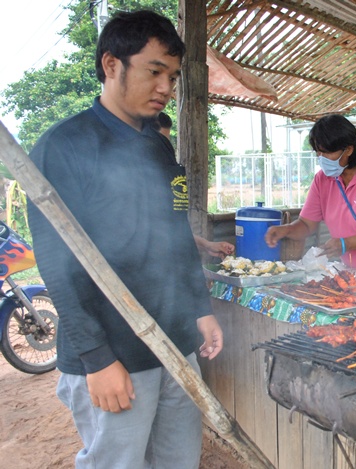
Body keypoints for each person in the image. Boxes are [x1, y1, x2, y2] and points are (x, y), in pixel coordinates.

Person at [26, 10, 223, 469]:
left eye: (172, 77)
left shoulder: (157, 146)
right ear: (112, 64)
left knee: (179, 459)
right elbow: (55, 262)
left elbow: (175, 235)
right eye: (155, 71)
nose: (166, 88)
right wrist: (96, 359)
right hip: (114, 354)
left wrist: (200, 310)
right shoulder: (64, 146)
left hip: (174, 342)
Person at [264, 114, 356, 269]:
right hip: (353, 270)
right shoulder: (322, 180)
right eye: (318, 152)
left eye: (327, 152)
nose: (322, 158)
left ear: (349, 149)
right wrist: (286, 230)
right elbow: (306, 224)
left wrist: (346, 244)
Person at [152, 111, 235, 260]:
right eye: (160, 144)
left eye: (167, 143)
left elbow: (175, 228)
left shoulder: (165, 173)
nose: (165, 150)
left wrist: (206, 244)